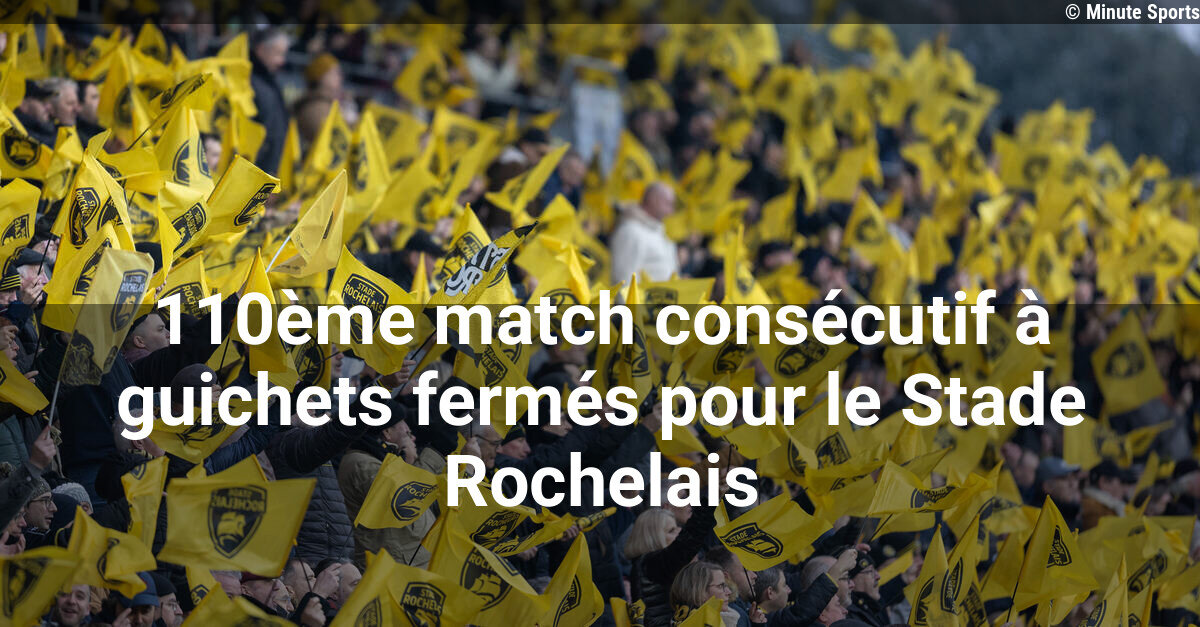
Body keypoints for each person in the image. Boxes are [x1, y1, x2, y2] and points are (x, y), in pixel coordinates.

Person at [610, 182, 679, 285]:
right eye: (668, 204)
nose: (671, 211)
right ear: (653, 200)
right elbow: (623, 279)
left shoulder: (661, 232)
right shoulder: (631, 231)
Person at [250, 27, 290, 174]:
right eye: (278, 53)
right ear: (261, 49)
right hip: (254, 169)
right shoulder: (248, 81)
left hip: (267, 169)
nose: (282, 61)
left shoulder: (270, 81)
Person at [1081, 459, 1134, 529]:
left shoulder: (1101, 507)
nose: (1125, 490)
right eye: (1122, 482)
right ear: (1103, 482)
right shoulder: (1097, 511)